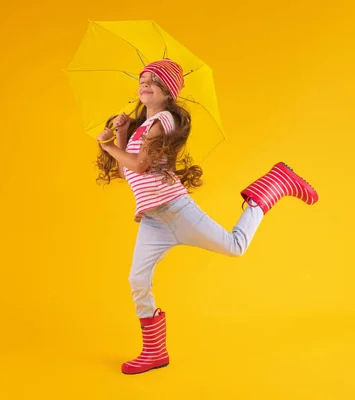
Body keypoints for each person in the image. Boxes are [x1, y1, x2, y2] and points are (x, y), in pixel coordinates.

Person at [95, 59, 319, 375]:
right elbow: (124, 167)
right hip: (153, 219)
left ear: (167, 92)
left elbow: (141, 166)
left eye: (153, 81)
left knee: (235, 246)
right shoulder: (140, 128)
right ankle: (154, 351)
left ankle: (273, 187)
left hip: (174, 210)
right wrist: (119, 134)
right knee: (137, 279)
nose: (144, 84)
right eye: (142, 79)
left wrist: (104, 144)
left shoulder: (163, 120)